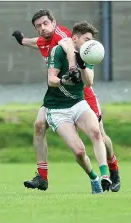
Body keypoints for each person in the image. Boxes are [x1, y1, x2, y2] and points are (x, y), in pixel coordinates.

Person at [12, 9, 120, 192]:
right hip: (59, 92)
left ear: (54, 23)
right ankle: (42, 176)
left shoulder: (62, 35)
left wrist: (72, 67)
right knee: (39, 125)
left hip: (82, 93)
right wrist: (22, 40)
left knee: (99, 136)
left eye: (45, 23)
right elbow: (35, 42)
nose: (42, 28)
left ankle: (113, 170)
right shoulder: (43, 40)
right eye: (38, 26)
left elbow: (69, 46)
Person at [44, 20, 112, 194]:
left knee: (96, 132)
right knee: (80, 151)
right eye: (86, 39)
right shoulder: (58, 51)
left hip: (78, 103)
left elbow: (89, 82)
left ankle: (105, 176)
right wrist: (64, 80)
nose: (89, 43)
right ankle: (93, 177)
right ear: (74, 38)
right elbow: (51, 80)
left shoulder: (87, 55)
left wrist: (82, 66)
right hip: (57, 109)